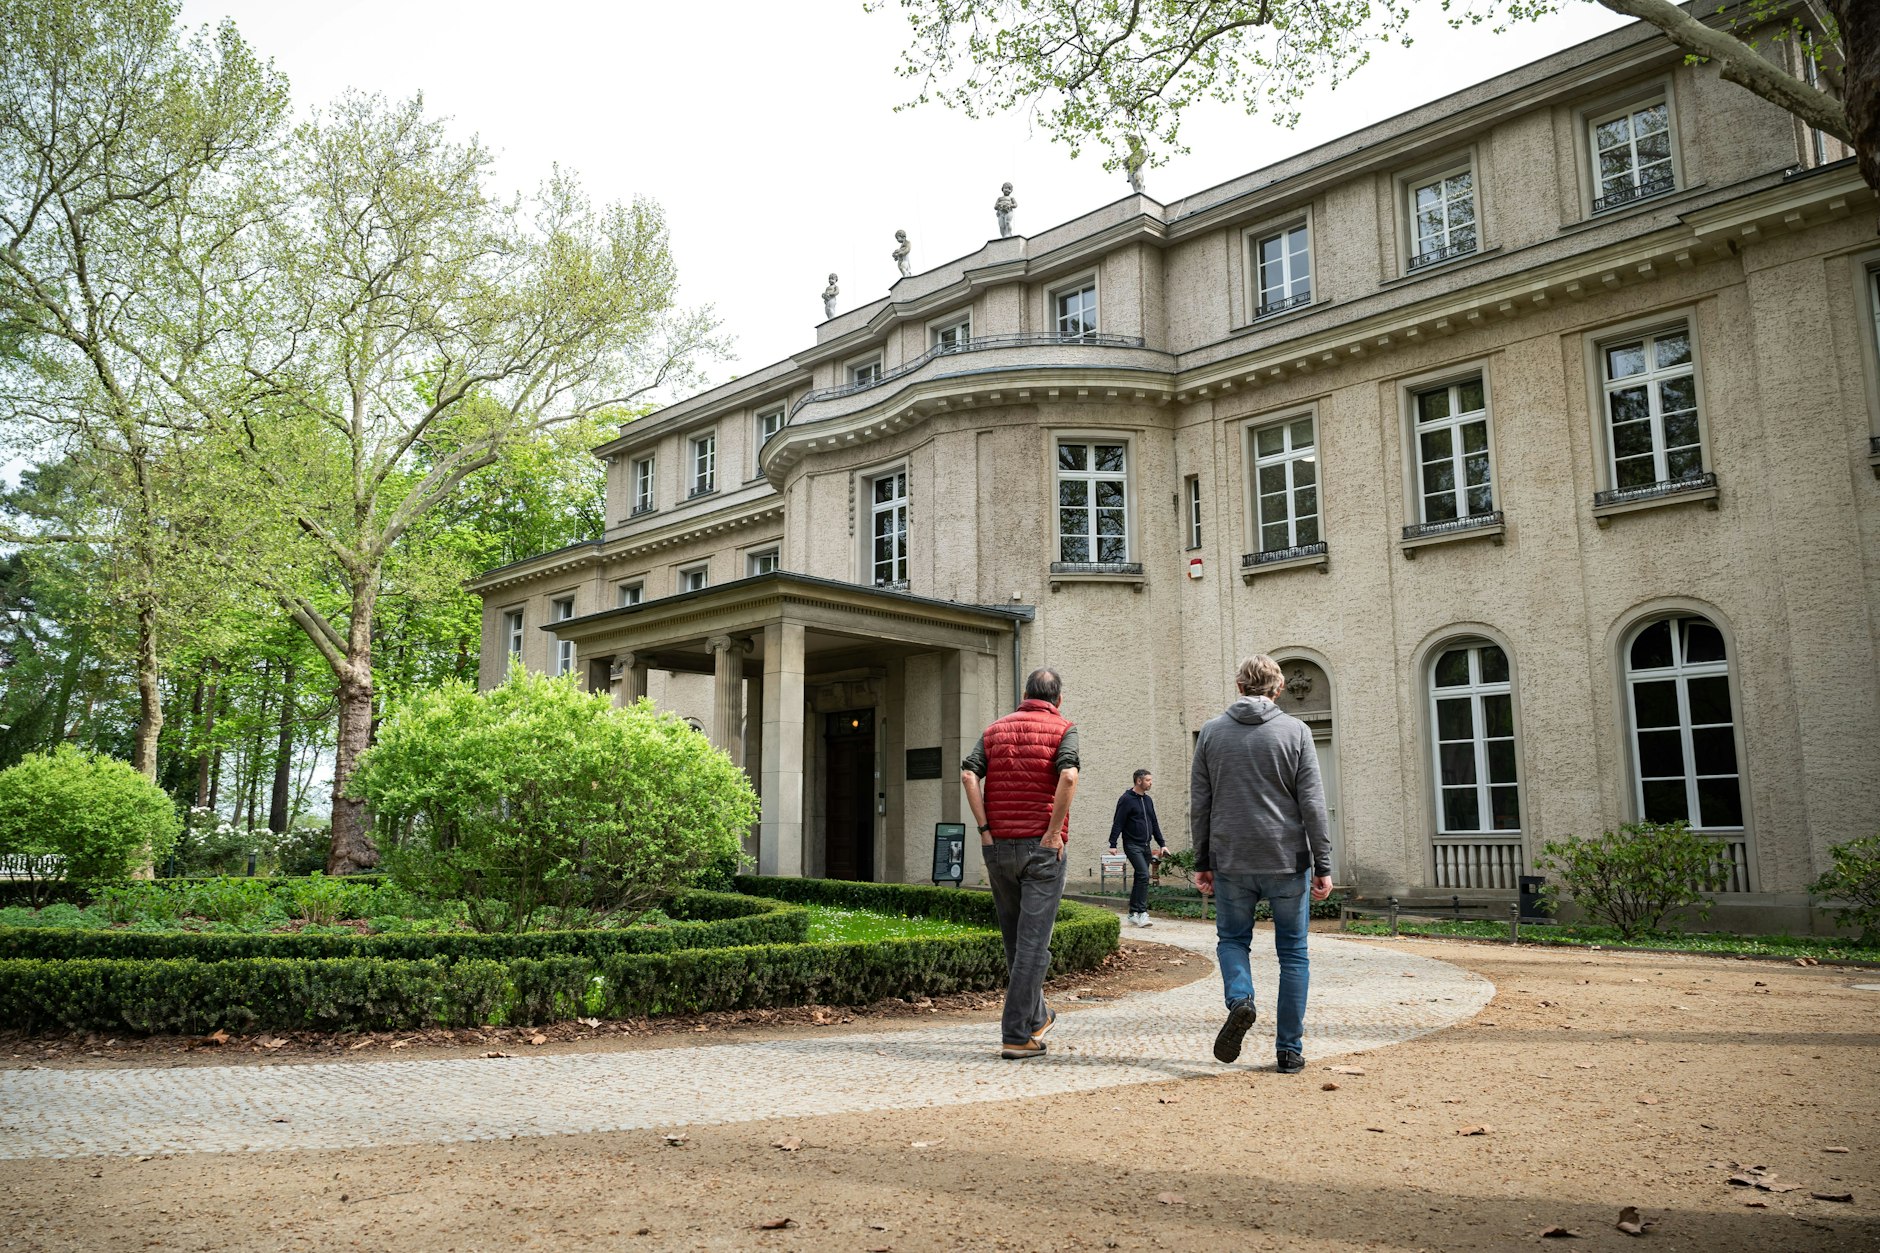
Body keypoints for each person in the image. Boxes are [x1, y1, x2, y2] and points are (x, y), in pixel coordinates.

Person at [1190, 655, 1333, 1074]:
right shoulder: (1297, 732)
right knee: (1294, 953)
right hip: (1286, 859)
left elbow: (1201, 804)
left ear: (1239, 687)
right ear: (1278, 689)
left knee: (1233, 940)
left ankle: (1241, 1000)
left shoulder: (1212, 733)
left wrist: (1202, 861)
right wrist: (1322, 864)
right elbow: (1313, 805)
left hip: (1232, 857)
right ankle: (1289, 1050)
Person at [961, 667, 1079, 1060]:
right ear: (1057, 699)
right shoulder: (1063, 728)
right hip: (1041, 849)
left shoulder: (995, 729)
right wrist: (1052, 832)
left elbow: (967, 775)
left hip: (998, 848)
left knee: (1015, 940)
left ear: (1024, 695)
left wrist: (984, 829)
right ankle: (1015, 1033)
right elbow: (1068, 776)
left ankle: (1036, 1016)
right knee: (1034, 944)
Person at [1107, 769, 1166, 927]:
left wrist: (1162, 844)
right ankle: (1142, 913)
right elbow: (1118, 822)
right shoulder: (1126, 799)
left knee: (1140, 878)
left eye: (1150, 780)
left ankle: (1133, 913)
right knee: (1143, 875)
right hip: (1132, 845)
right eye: (1148, 780)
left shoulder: (1148, 800)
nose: (1150, 783)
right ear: (1139, 781)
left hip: (1146, 845)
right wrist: (1113, 844)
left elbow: (1154, 823)